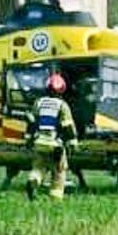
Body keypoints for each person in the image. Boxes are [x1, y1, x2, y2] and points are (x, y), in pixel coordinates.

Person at [27, 71, 78, 200]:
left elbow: (32, 123)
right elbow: (67, 126)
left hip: (39, 142)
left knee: (38, 166)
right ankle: (55, 196)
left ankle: (34, 179)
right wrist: (72, 141)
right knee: (59, 170)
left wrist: (28, 139)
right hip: (55, 144)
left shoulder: (38, 103)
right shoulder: (62, 105)